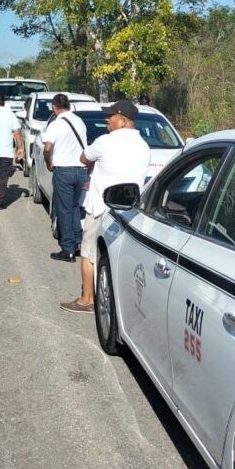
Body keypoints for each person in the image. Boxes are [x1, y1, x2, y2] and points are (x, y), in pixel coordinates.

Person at [60, 99, 150, 313]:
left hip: (101, 207)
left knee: (89, 253)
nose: (107, 119)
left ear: (124, 121)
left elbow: (84, 158)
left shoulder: (105, 142)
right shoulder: (144, 147)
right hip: (128, 212)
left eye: (111, 116)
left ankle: (86, 299)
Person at [43, 93, 88, 262]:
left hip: (64, 170)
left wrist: (49, 162)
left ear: (54, 107)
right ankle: (77, 243)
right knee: (75, 207)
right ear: (69, 106)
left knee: (63, 209)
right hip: (81, 170)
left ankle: (67, 249)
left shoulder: (56, 124)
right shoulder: (79, 122)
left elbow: (47, 148)